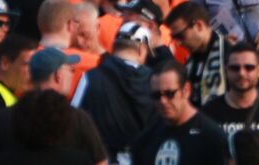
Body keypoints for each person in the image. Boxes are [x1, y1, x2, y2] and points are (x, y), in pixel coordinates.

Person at [74, 21, 157, 162]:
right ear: (142, 49)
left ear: (114, 47)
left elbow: (74, 121)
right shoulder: (155, 82)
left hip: (102, 159)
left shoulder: (90, 77)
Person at [131, 60, 231, 165]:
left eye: (169, 94)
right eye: (156, 96)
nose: (163, 101)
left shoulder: (212, 137)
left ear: (186, 90)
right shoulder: (146, 140)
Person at [198, 42, 259, 145]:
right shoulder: (208, 113)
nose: (241, 73)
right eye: (235, 68)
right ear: (225, 70)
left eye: (249, 67)